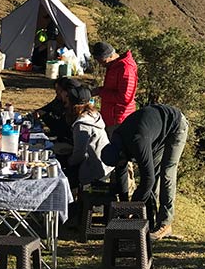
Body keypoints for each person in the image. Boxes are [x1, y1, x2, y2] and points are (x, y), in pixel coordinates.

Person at [100, 104, 189, 240]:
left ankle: (165, 224)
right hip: (154, 130)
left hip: (175, 125)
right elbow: (121, 172)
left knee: (166, 174)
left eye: (120, 162)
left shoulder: (137, 141)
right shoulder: (117, 141)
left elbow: (148, 179)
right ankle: (150, 219)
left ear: (121, 154)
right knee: (152, 171)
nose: (120, 165)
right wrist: (124, 208)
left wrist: (133, 206)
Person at [63, 84, 114, 189]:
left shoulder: (82, 125)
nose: (65, 104)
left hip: (94, 170)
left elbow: (79, 155)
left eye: (67, 101)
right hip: (106, 165)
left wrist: (67, 162)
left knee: (64, 174)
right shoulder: (94, 116)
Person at [90, 41, 138, 131]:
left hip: (120, 119)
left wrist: (101, 92)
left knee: (115, 144)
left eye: (103, 61)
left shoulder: (126, 69)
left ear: (111, 56)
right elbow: (112, 89)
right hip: (110, 117)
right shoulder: (113, 66)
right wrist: (99, 90)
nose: (102, 64)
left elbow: (125, 97)